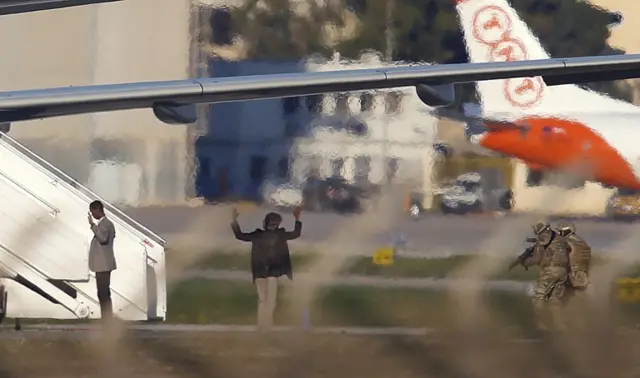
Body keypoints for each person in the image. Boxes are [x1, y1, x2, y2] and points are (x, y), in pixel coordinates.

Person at [231, 206, 302, 332]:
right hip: (273, 273)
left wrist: (234, 220)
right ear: (277, 224)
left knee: (262, 300)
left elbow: (240, 235)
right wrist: (297, 219)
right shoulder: (281, 235)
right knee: (271, 300)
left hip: (260, 272)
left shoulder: (258, 235)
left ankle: (261, 325)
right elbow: (296, 233)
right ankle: (267, 326)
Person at [518, 221, 570, 332]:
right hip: (563, 271)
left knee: (538, 298)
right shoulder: (560, 239)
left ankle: (542, 325)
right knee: (554, 300)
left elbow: (536, 259)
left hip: (550, 271)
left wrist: (524, 262)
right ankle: (561, 326)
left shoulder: (541, 241)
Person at [557, 221, 592, 329]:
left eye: (559, 232)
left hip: (572, 275)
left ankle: (568, 325)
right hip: (583, 275)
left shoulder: (567, 242)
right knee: (579, 299)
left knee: (563, 300)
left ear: (564, 232)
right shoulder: (581, 242)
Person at [87, 200, 117, 322]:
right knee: (103, 292)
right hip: (103, 265)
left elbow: (103, 238)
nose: (92, 215)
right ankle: (107, 318)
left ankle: (107, 319)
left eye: (92, 212)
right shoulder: (106, 224)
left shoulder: (105, 224)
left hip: (103, 265)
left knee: (103, 293)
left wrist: (92, 225)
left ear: (97, 210)